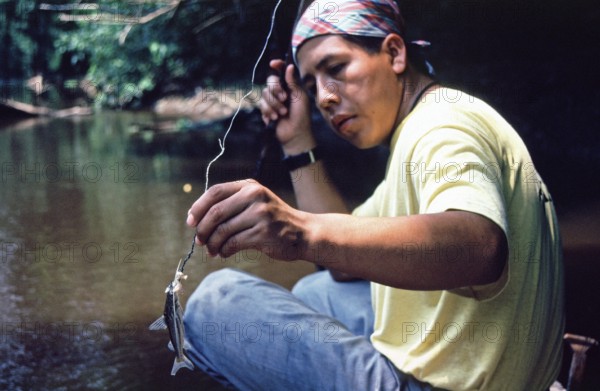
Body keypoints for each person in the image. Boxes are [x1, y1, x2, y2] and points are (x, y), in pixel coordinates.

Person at [182, 0, 565, 389]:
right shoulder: (423, 128)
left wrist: (299, 231)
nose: (325, 97)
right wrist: (298, 143)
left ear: (395, 53)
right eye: (312, 85)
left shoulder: (444, 126)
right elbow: (345, 260)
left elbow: (479, 248)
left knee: (215, 303)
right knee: (320, 292)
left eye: (336, 69)